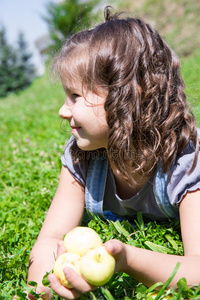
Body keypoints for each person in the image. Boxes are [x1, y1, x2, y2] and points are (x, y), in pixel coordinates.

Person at [26, 6, 200, 300]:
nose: (62, 110)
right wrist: (45, 285)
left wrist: (126, 260)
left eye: (75, 96)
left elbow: (197, 270)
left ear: (124, 98)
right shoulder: (83, 158)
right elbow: (51, 237)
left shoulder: (184, 160)